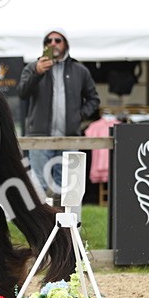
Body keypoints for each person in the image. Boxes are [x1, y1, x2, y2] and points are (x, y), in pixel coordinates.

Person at [17, 28, 100, 198]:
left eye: (57, 40)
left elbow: (94, 99)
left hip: (69, 137)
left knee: (67, 187)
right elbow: (22, 93)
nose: (53, 43)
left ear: (66, 44)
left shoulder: (79, 70)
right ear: (44, 45)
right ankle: (41, 216)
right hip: (39, 138)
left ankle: (63, 216)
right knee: (39, 186)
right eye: (49, 40)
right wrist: (37, 73)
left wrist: (80, 115)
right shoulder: (33, 67)